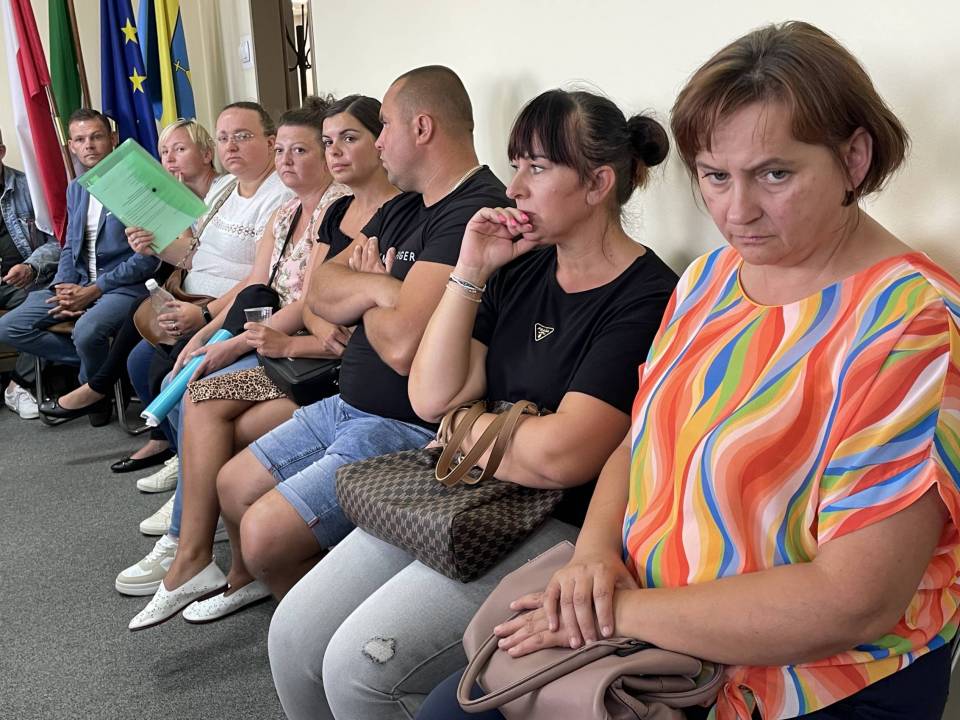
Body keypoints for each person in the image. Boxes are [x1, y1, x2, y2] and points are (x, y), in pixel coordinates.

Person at [420, 21, 960, 720]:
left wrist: (615, 612)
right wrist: (592, 555)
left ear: (854, 158)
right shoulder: (711, 279)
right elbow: (639, 438)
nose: (738, 211)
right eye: (715, 176)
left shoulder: (914, 325)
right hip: (649, 630)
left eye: (775, 173)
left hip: (803, 680)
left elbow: (852, 601)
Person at [267, 87, 679, 720]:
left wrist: (466, 426)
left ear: (598, 183)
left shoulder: (647, 295)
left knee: (357, 670)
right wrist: (470, 268)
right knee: (292, 634)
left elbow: (564, 457)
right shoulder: (518, 266)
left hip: (553, 521)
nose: (514, 188)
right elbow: (431, 395)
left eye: (536, 167)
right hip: (462, 492)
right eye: (515, 165)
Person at [160, 65, 508, 627]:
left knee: (260, 524)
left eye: (380, 127)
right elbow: (319, 290)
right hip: (339, 394)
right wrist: (381, 289)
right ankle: (223, 569)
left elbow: (401, 345)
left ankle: (321, 630)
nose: (378, 142)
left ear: (421, 128)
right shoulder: (395, 206)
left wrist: (357, 297)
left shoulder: (470, 211)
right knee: (227, 471)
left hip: (393, 417)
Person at [125, 95, 374, 625]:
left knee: (206, 400)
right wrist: (207, 333)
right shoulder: (285, 212)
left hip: (305, 358)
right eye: (282, 150)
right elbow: (254, 286)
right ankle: (216, 560)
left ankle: (192, 551)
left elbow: (311, 301)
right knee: (197, 386)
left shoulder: (337, 209)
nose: (287, 161)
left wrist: (235, 343)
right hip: (273, 344)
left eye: (301, 150)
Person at [112, 102, 291, 595]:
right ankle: (189, 484)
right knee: (144, 361)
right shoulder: (226, 189)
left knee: (189, 384)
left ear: (270, 143)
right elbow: (193, 254)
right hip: (202, 304)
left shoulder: (282, 198)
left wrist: (207, 317)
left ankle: (185, 531)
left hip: (237, 317)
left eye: (243, 136)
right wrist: (153, 246)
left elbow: (262, 282)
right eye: (225, 136)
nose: (231, 146)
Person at [38, 119, 220, 475]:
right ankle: (154, 431)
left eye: (180, 149)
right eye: (164, 152)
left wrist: (146, 252)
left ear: (206, 153)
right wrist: (64, 283)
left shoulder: (221, 193)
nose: (170, 159)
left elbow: (189, 257)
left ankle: (101, 388)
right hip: (180, 287)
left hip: (192, 293)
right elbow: (70, 245)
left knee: (120, 337)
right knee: (135, 344)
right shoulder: (171, 194)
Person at [0, 108, 158, 420]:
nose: (89, 145)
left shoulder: (138, 184)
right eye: (81, 139)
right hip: (79, 283)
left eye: (96, 137)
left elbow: (147, 259)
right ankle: (108, 372)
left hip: (123, 288)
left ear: (113, 138)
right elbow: (70, 246)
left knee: (86, 331)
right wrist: (63, 287)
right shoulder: (77, 187)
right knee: (8, 327)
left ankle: (92, 390)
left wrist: (93, 291)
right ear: (71, 146)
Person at [0, 127, 59, 419]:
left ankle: (18, 385)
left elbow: (59, 241)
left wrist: (31, 265)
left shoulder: (30, 188)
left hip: (21, 280)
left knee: (44, 307)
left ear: (1, 152)